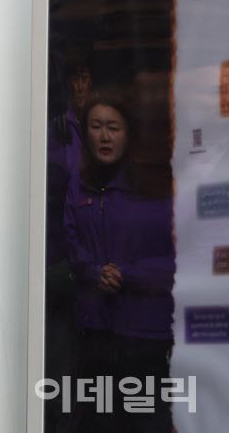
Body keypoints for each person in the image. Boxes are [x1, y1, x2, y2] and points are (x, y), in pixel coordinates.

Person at [64, 88, 175, 433]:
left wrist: (127, 275)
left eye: (113, 127)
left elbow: (178, 258)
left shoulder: (155, 187)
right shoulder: (79, 181)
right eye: (96, 126)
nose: (105, 136)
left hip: (145, 332)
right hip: (95, 330)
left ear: (129, 132)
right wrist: (93, 271)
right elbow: (70, 240)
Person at [44, 50, 93, 433]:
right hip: (60, 255)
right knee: (60, 351)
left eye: (86, 77)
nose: (81, 85)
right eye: (75, 77)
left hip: (95, 253)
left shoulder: (104, 127)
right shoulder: (57, 130)